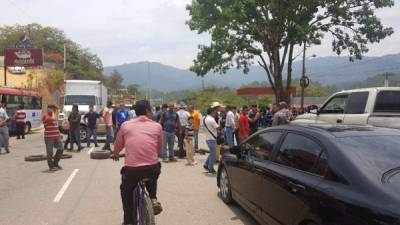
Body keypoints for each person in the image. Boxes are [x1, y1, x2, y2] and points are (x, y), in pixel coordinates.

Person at [111, 100, 163, 225]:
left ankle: (128, 220)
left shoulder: (126, 125)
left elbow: (118, 144)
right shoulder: (157, 126)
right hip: (152, 167)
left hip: (133, 170)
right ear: (147, 111)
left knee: (126, 190)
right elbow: (159, 149)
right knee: (154, 172)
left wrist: (115, 154)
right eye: (150, 110)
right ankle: (153, 198)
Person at [42, 105, 63, 171]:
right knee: (50, 152)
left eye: (54, 110)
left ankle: (55, 163)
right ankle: (51, 166)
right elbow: (47, 120)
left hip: (56, 136)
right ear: (48, 109)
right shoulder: (45, 116)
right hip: (49, 137)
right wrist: (53, 116)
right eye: (53, 109)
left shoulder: (54, 116)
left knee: (61, 149)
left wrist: (59, 134)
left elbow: (55, 126)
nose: (54, 111)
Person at [203, 108, 219, 174]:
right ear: (212, 112)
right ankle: (211, 168)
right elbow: (217, 128)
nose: (216, 113)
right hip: (212, 138)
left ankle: (206, 164)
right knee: (213, 154)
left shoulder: (205, 118)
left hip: (208, 138)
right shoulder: (212, 119)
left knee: (212, 153)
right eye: (215, 112)